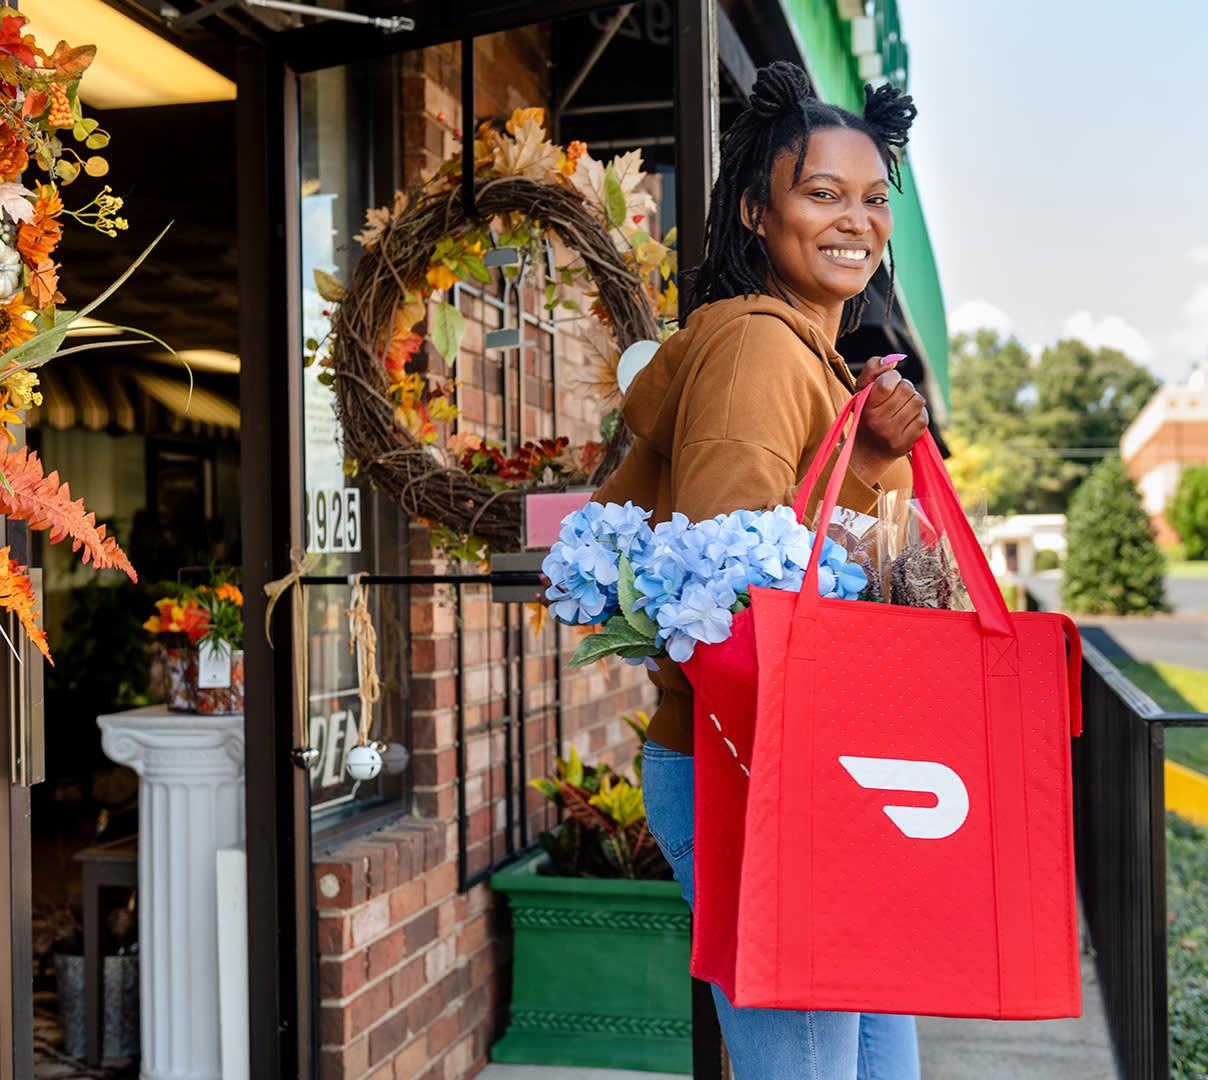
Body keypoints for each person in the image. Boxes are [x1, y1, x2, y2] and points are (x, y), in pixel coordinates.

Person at [593, 61, 930, 1078]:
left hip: (814, 761)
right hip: (760, 764)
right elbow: (729, 588)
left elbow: (797, 543)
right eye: (819, 193)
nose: (855, 222)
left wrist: (865, 463)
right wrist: (869, 470)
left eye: (873, 199)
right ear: (753, 207)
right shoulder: (754, 349)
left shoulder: (817, 360)